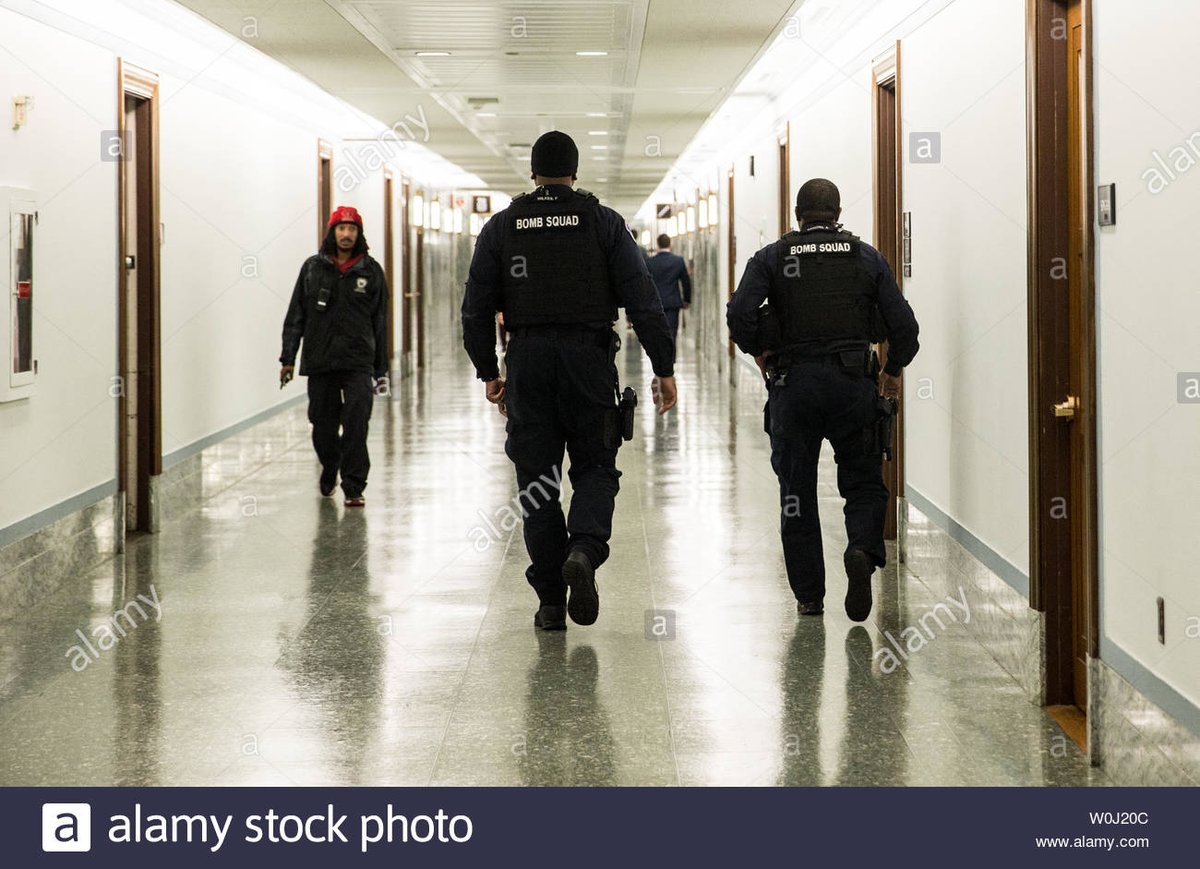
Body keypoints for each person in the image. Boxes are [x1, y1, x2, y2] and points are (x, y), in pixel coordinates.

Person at [462, 130, 678, 631]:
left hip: (529, 362)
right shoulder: (603, 223)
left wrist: (490, 372)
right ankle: (583, 548)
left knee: (537, 482)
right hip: (588, 359)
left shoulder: (503, 226)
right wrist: (663, 368)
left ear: (532, 173)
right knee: (596, 466)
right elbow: (644, 302)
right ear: (575, 173)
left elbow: (474, 309)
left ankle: (551, 603)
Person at [726, 178, 919, 621]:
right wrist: (891, 373)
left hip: (794, 387)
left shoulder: (773, 257)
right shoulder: (865, 257)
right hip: (854, 385)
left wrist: (760, 350)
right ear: (837, 212)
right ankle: (860, 551)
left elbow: (739, 314)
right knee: (864, 481)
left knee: (797, 491)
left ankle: (810, 597)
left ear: (797, 214)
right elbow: (904, 327)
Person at [279, 205, 389, 507]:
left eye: (352, 229)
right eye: (341, 228)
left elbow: (380, 322)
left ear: (359, 234)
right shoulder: (313, 268)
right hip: (320, 361)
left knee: (356, 424)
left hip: (358, 362)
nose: (346, 234)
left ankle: (354, 485)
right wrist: (288, 357)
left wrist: (381, 371)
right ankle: (330, 464)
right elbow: (296, 314)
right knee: (322, 426)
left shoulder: (371, 270)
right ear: (332, 232)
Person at [645, 233, 692, 341]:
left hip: (655, 304)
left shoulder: (649, 262)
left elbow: (646, 284)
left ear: (658, 245)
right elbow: (686, 282)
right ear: (670, 244)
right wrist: (687, 300)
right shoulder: (678, 261)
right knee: (671, 335)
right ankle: (671, 357)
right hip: (672, 304)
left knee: (657, 335)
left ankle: (659, 357)